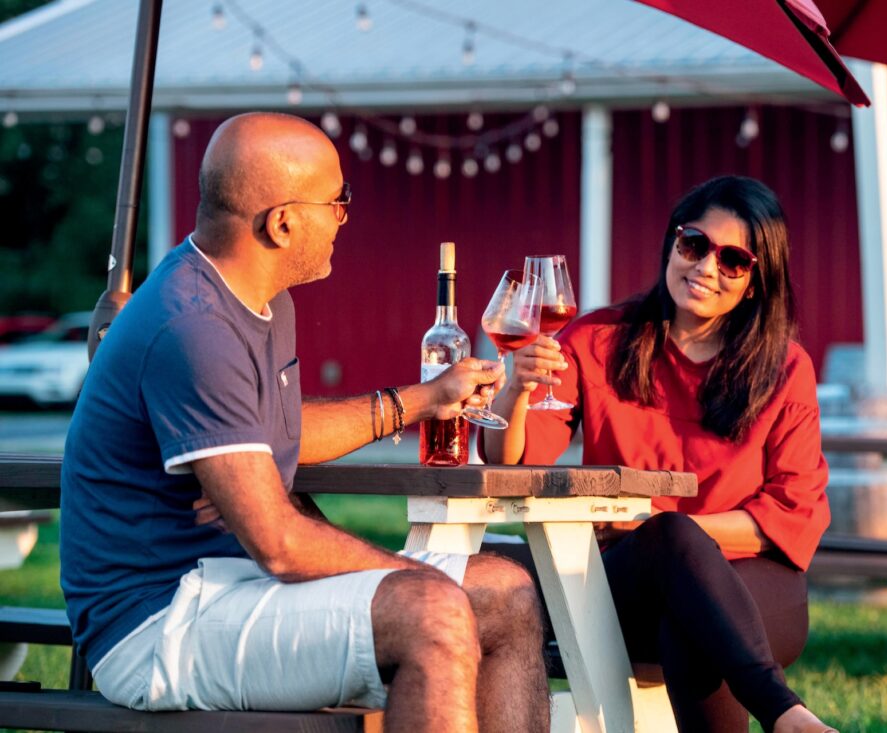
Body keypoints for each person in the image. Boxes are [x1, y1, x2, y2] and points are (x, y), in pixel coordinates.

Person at [60, 112, 550, 733]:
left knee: (504, 593)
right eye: (337, 200)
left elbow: (275, 434)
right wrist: (419, 575)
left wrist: (423, 401)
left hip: (231, 583)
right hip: (156, 619)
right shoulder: (193, 327)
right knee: (433, 609)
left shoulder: (260, 299)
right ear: (282, 222)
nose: (345, 215)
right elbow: (281, 545)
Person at [484, 176, 835, 733]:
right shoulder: (597, 340)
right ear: (673, 243)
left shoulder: (785, 369)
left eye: (733, 261)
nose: (705, 268)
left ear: (754, 280)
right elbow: (515, 464)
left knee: (686, 603)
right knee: (670, 544)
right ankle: (785, 713)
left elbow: (793, 511)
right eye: (694, 245)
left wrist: (668, 526)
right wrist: (516, 390)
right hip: (628, 586)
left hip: (755, 583)